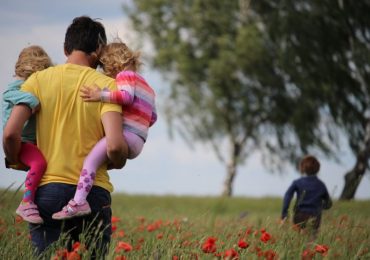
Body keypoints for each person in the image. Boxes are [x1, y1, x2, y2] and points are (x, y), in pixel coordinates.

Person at [3, 16, 128, 256]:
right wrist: (119, 160)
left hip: (47, 191)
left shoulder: (36, 81)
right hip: (92, 194)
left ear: (65, 48)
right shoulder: (107, 87)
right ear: (99, 51)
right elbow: (114, 145)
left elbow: (10, 133)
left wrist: (17, 159)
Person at [52, 40, 157, 220]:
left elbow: (125, 96)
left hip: (126, 136)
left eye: (104, 67)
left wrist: (99, 95)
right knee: (100, 161)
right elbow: (153, 117)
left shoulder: (125, 76)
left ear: (112, 63)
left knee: (90, 161)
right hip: (139, 141)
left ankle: (78, 202)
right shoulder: (148, 87)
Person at [2, 45, 52, 224]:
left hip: (29, 140)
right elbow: (10, 95)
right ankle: (26, 201)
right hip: (21, 141)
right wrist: (33, 101)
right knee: (39, 162)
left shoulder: (25, 85)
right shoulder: (17, 86)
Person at [281, 155, 332, 238]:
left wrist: (284, 215)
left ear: (303, 168)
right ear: (317, 168)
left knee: (299, 239)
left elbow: (287, 196)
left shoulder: (297, 182)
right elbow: (328, 203)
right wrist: (320, 207)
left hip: (300, 215)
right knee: (312, 239)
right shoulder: (321, 185)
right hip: (315, 216)